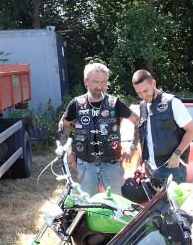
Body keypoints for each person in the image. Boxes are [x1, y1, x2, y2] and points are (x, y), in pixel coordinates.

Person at [58, 63, 139, 197]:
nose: (100, 86)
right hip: (86, 163)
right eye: (96, 82)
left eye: (103, 82)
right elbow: (63, 124)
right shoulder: (77, 104)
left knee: (116, 202)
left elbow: (137, 121)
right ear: (86, 81)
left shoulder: (115, 103)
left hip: (112, 164)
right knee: (89, 203)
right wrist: (69, 152)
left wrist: (132, 147)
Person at [131, 69, 193, 184]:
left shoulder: (172, 102)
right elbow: (145, 140)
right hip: (150, 171)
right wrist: (139, 164)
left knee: (175, 197)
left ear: (153, 83)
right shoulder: (142, 106)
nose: (143, 96)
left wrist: (176, 155)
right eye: (139, 93)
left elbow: (191, 131)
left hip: (172, 168)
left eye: (145, 90)